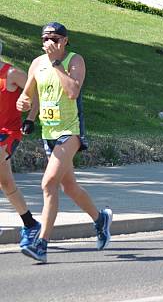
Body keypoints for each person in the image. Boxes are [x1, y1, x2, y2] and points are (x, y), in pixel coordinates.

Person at [16, 22, 112, 263]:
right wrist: (25, 109)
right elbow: (29, 94)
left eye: (56, 38)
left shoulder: (74, 60)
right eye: (46, 38)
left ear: (65, 41)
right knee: (69, 187)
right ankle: (100, 219)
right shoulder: (37, 63)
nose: (50, 42)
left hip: (70, 132)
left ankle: (42, 245)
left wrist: (57, 62)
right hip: (49, 133)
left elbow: (72, 92)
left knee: (48, 184)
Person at [0, 40, 42, 249]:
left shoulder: (12, 74)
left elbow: (36, 94)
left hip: (9, 133)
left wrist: (30, 119)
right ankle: (31, 224)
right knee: (6, 183)